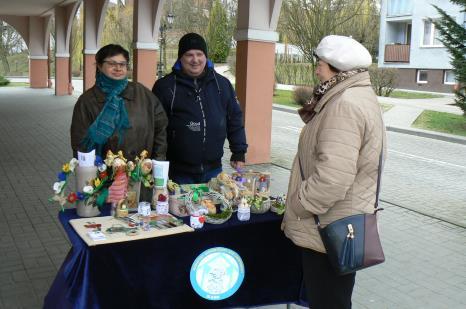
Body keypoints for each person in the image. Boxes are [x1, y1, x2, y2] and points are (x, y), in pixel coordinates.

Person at [281, 35, 386, 309]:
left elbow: (333, 178)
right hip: (336, 225)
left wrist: (298, 204)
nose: (316, 69)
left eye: (320, 63)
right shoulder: (351, 95)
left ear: (336, 67)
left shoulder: (344, 105)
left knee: (329, 302)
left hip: (328, 228)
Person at [152, 33, 247, 184]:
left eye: (199, 54)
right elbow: (155, 128)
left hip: (214, 171)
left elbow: (234, 118)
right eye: (189, 54)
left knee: (215, 207)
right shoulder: (165, 87)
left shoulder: (222, 85)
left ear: (206, 56)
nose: (195, 60)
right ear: (180, 58)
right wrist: (156, 163)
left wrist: (238, 151)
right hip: (178, 173)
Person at [71, 44, 168, 162]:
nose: (118, 68)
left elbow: (161, 129)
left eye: (122, 64)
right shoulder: (87, 101)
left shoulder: (142, 93)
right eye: (112, 64)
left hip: (141, 173)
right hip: (104, 177)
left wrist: (157, 161)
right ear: (100, 66)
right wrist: (94, 175)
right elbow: (80, 143)